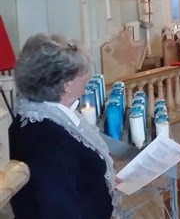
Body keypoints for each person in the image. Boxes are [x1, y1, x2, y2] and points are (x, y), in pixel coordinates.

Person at [9, 34, 116, 218]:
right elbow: (58, 208)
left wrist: (102, 179)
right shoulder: (48, 139)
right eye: (83, 72)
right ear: (67, 84)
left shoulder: (32, 115)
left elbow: (73, 173)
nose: (88, 77)